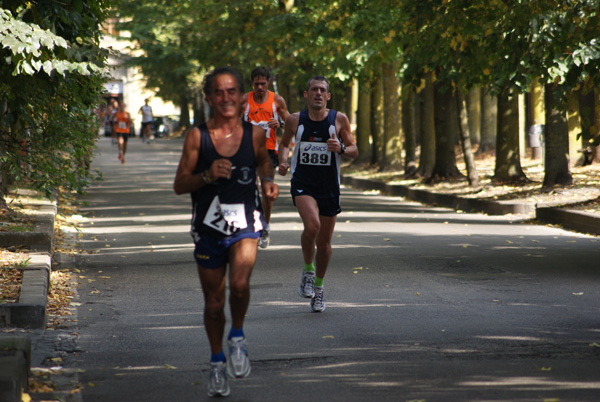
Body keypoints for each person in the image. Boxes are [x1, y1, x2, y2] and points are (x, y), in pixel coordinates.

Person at [173, 66, 279, 397]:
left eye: (232, 91)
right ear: (208, 98)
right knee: (214, 303)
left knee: (239, 283)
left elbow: (265, 162)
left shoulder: (254, 135)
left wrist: (268, 183)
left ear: (241, 95)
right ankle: (217, 363)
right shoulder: (197, 137)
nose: (226, 98)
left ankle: (237, 337)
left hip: (245, 222)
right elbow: (179, 184)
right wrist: (206, 176)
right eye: (218, 92)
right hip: (207, 227)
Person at [277, 75, 358, 313]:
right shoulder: (295, 120)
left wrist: (341, 148)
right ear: (306, 94)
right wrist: (283, 162)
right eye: (314, 90)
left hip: (329, 187)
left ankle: (319, 288)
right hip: (303, 183)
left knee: (324, 243)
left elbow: (354, 149)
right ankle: (308, 270)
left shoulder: (339, 119)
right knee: (312, 226)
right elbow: (284, 144)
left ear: (328, 96)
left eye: (323, 90)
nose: (318, 94)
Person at [242, 66, 290, 248]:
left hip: (269, 150)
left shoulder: (277, 100)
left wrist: (280, 123)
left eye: (263, 84)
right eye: (256, 84)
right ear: (252, 84)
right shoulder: (244, 100)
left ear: (268, 82)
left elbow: (291, 124)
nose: (260, 87)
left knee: (267, 192)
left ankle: (266, 227)